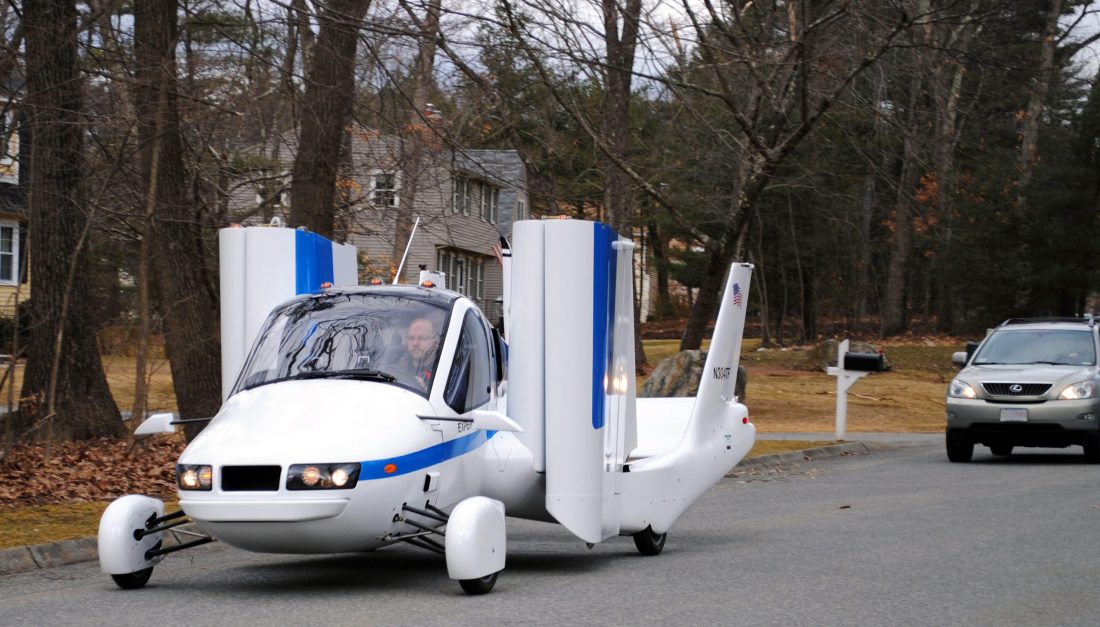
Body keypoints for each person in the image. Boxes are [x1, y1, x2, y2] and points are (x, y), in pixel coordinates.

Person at [397, 317, 439, 390]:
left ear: (434, 343)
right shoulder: (395, 366)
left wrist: (425, 391)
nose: (415, 343)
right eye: (411, 338)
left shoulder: (445, 371)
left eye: (422, 338)